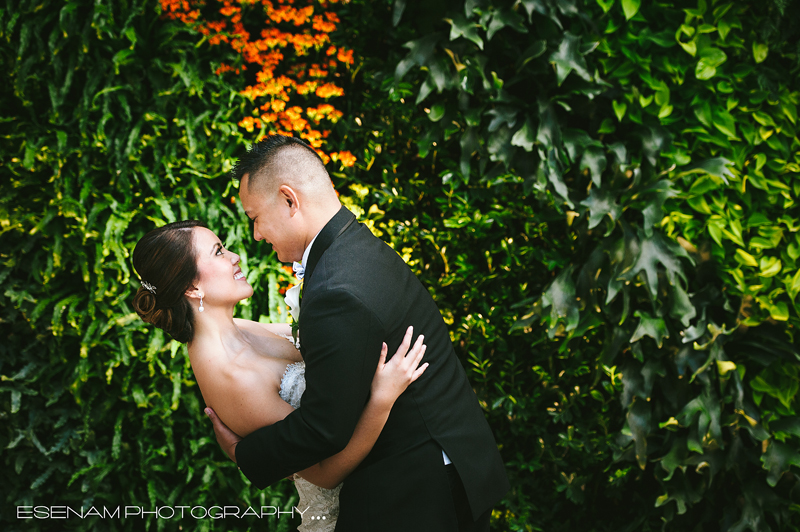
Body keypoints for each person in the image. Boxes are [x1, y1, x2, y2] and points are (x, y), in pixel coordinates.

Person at [207, 135, 509, 532]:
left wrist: (244, 453)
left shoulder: (336, 288)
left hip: (419, 488)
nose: (256, 234)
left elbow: (323, 429)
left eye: (254, 217)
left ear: (288, 200)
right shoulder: (352, 243)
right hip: (455, 455)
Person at [131, 219, 429, 531]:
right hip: (356, 515)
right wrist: (382, 398)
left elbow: (330, 346)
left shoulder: (241, 328)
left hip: (391, 481)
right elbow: (325, 473)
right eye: (219, 251)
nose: (235, 256)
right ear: (192, 287)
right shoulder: (233, 377)